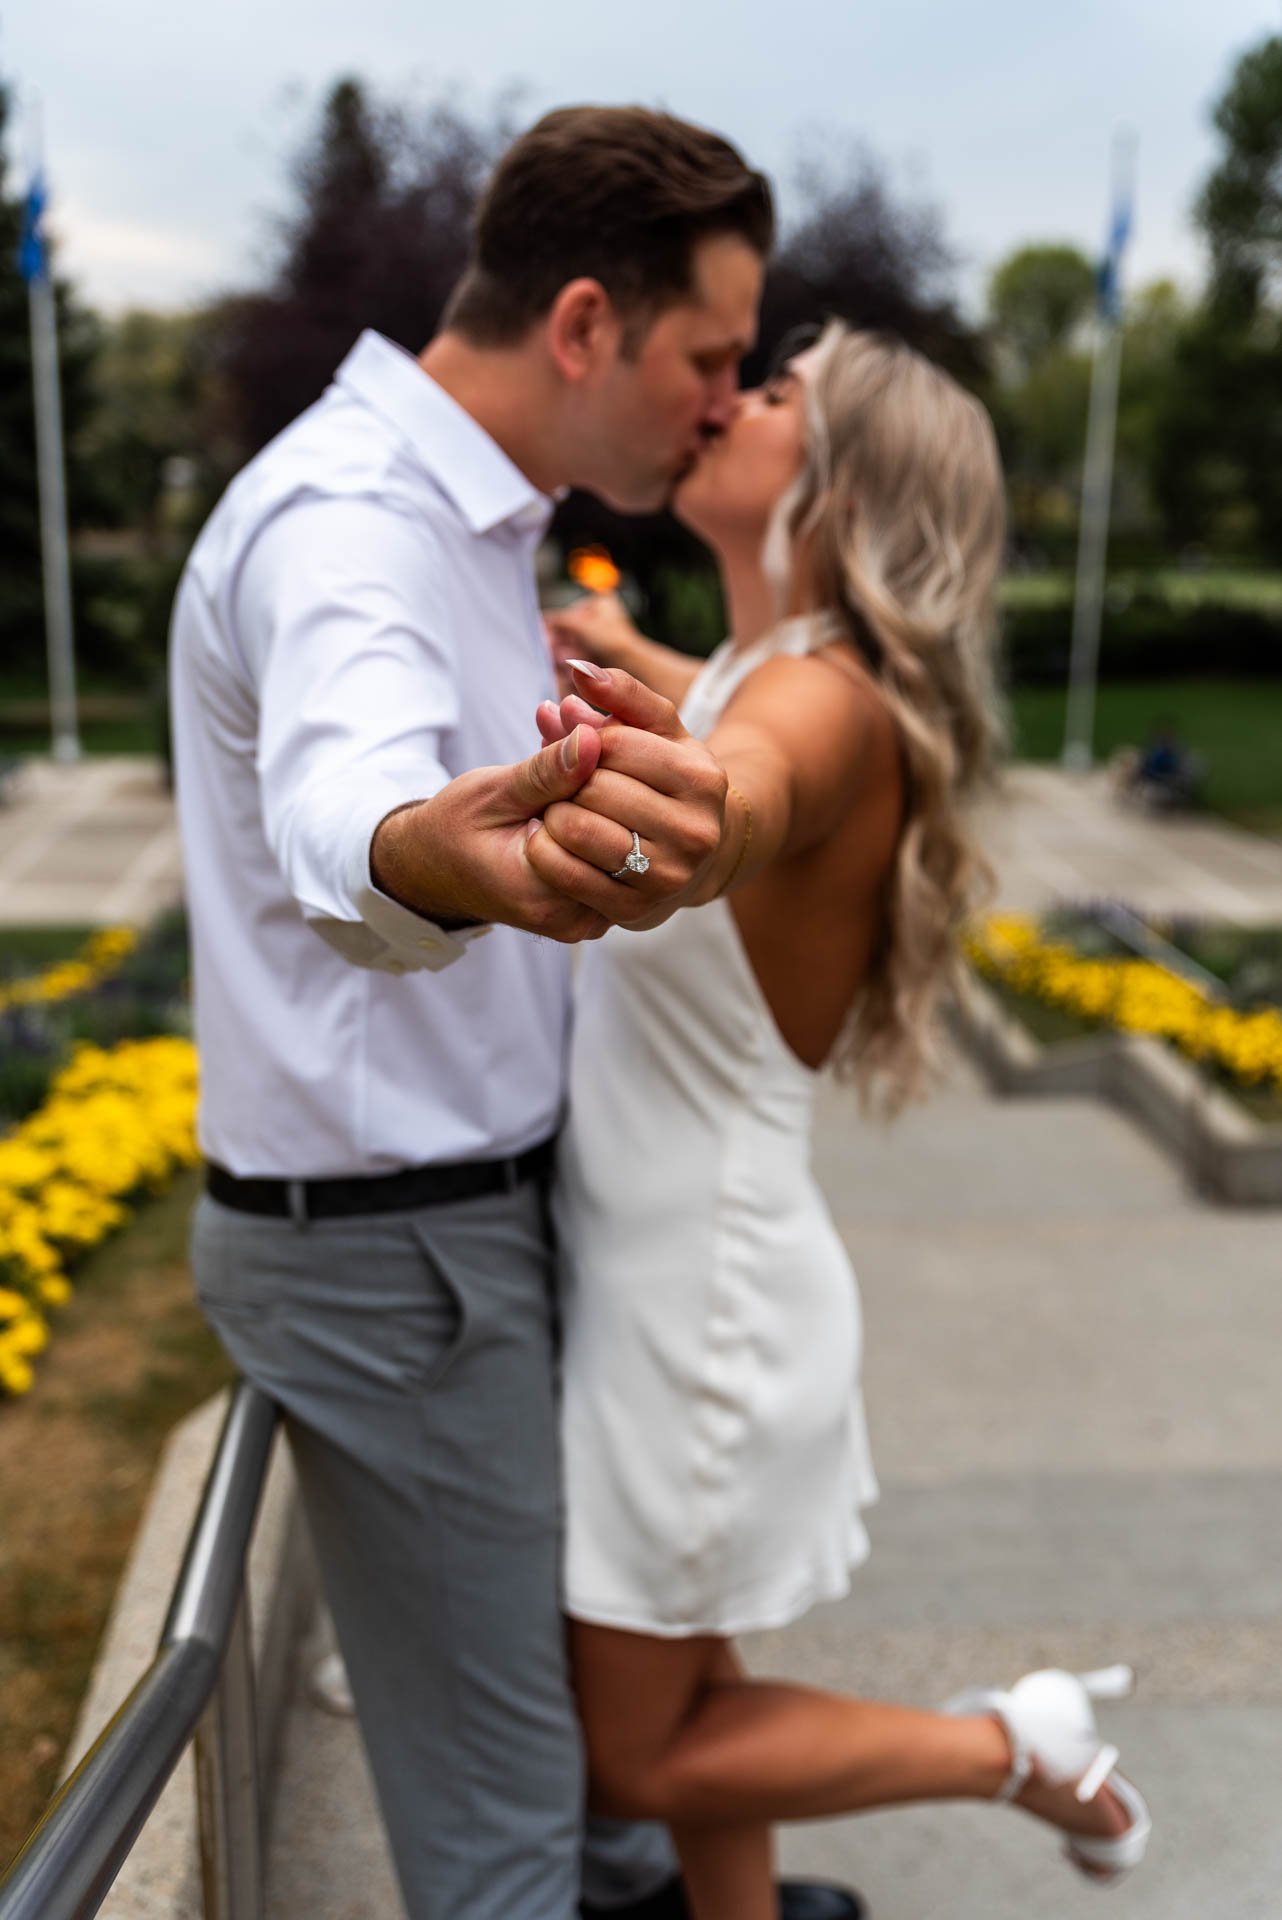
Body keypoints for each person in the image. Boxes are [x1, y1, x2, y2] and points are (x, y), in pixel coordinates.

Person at [171, 106, 862, 1920]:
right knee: (500, 1837)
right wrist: (427, 856)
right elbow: (343, 795)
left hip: (453, 1234)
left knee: (563, 1760)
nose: (721, 403)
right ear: (580, 326)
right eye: (708, 357)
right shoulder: (352, 523)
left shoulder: (467, 518)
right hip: (399, 1260)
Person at [537, 323, 1152, 1920]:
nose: (729, 397)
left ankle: (1016, 1751)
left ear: (841, 477)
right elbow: (721, 707)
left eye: (777, 390)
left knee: (636, 1759)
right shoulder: (768, 668)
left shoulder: (812, 710)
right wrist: (609, 642)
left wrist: (672, 801)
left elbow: (745, 784)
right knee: (700, 1691)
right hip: (684, 1276)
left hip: (702, 1301)